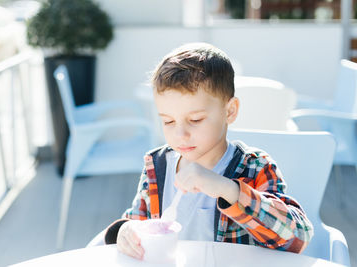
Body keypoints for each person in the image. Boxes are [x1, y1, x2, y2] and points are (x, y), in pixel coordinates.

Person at [102, 42, 313, 260]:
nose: (180, 134)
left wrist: (228, 190)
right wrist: (125, 231)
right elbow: (136, 223)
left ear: (230, 111)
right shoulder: (157, 166)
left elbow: (297, 239)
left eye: (195, 120)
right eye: (168, 121)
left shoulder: (255, 167)